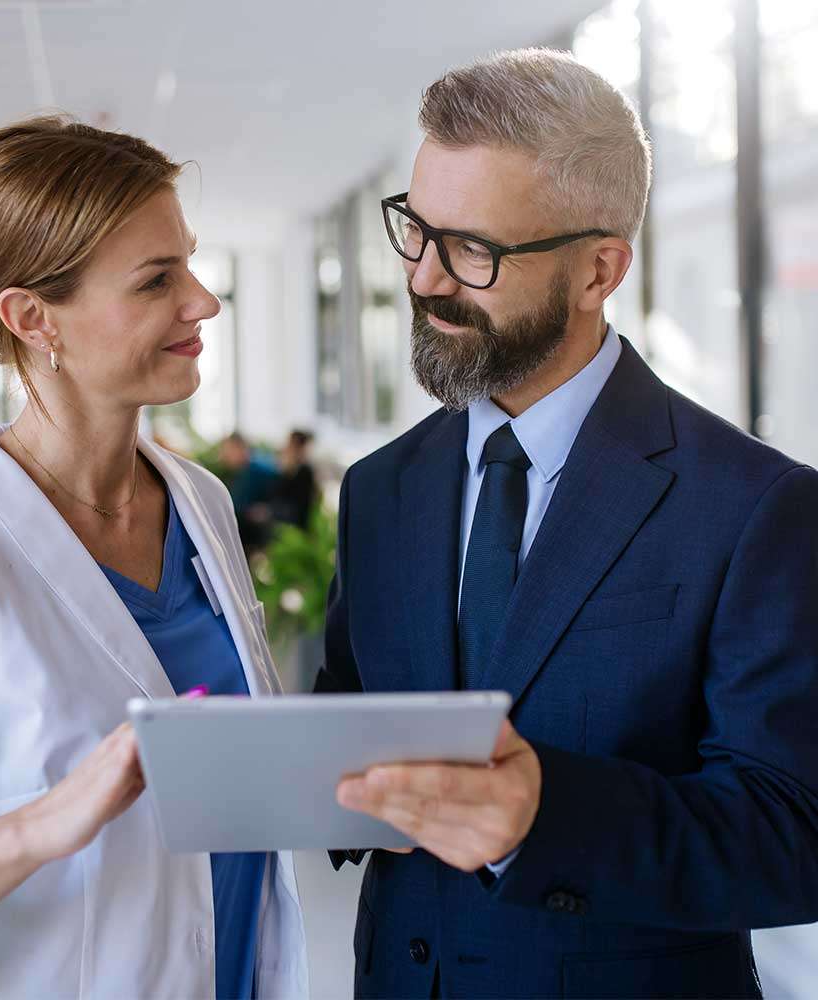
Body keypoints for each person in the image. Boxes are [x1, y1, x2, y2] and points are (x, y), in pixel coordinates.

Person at [317, 48, 818, 998]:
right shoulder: (380, 490)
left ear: (599, 271)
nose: (424, 280)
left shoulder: (757, 506)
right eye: (416, 230)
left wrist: (545, 815)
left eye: (473, 251)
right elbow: (354, 717)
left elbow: (795, 830)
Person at [0, 117, 307, 999]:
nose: (203, 301)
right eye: (158, 280)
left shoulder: (201, 505)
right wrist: (45, 824)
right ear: (33, 317)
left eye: (190, 264)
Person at [217, 431, 279, 553]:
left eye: (228, 451)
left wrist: (269, 509)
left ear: (240, 447)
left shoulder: (261, 470)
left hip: (260, 534)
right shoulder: (241, 471)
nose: (225, 456)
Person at [269, 430, 318, 530]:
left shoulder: (305, 471)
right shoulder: (287, 467)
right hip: (281, 515)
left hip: (292, 524)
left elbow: (300, 507)